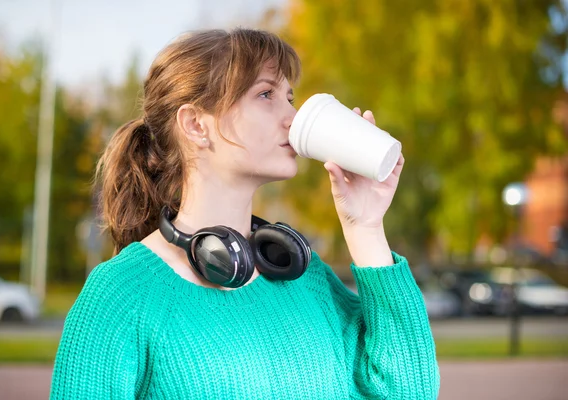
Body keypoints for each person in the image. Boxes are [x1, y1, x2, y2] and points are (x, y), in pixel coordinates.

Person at [50, 28, 439, 399]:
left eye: (289, 97)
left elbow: (407, 392)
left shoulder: (306, 279)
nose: (292, 116)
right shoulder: (122, 294)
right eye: (266, 94)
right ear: (196, 125)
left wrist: (366, 228)